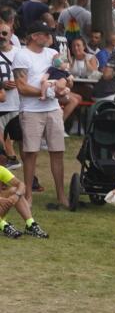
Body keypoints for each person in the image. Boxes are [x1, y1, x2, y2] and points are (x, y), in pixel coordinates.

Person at [13, 22, 70, 209]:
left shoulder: (52, 53)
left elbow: (65, 71)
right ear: (34, 36)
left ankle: (62, 196)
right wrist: (46, 92)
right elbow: (21, 87)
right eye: (45, 34)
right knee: (30, 153)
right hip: (31, 110)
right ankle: (28, 195)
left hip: (53, 108)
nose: (49, 37)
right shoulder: (22, 55)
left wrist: (64, 82)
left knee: (58, 151)